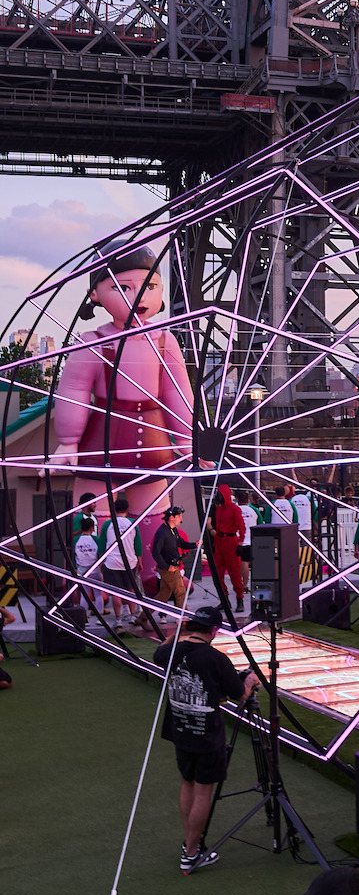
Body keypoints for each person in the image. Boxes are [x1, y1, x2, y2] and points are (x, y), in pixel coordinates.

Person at [51, 245, 195, 583]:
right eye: (123, 288)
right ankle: (102, 584)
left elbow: (177, 392)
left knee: (154, 516)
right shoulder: (92, 341)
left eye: (150, 287)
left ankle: (152, 579)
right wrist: (69, 441)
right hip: (102, 435)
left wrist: (188, 440)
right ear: (95, 295)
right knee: (97, 514)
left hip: (154, 439)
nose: (138, 297)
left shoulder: (165, 341)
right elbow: (72, 391)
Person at [154, 604, 258, 872]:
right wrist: (250, 681)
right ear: (214, 630)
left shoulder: (169, 651)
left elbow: (160, 651)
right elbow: (239, 694)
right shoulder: (215, 658)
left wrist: (178, 632)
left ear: (191, 626)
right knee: (203, 793)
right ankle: (191, 852)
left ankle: (191, 842)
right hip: (206, 734)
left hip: (179, 728)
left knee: (187, 784)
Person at [97, 493, 147, 626]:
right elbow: (138, 544)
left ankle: (118, 619)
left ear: (114, 510)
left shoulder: (108, 524)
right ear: (127, 509)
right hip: (130, 561)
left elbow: (102, 544)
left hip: (112, 562)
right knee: (131, 590)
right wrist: (140, 561)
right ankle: (132, 616)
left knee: (115, 593)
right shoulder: (132, 523)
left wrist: (101, 561)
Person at [210, 480, 247, 612]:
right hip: (220, 542)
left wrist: (241, 542)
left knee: (235, 573)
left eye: (218, 493)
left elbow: (241, 526)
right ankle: (224, 600)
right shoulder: (219, 509)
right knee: (217, 574)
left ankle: (239, 598)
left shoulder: (234, 509)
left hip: (231, 542)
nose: (217, 496)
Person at [152, 505, 190, 612]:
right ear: (172, 517)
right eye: (179, 516)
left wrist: (194, 544)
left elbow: (181, 543)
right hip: (169, 568)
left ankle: (143, 618)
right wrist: (167, 567)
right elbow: (155, 552)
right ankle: (184, 618)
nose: (181, 519)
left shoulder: (172, 530)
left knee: (163, 595)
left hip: (172, 566)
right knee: (180, 592)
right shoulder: (162, 532)